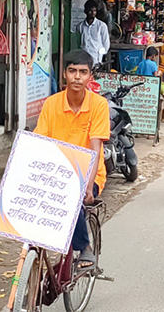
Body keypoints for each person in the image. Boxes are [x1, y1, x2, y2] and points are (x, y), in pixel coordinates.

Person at [34, 50, 110, 269]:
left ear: (90, 77)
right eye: (72, 71)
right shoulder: (51, 104)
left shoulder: (98, 105)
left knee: (72, 197)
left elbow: (95, 149)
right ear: (64, 74)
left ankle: (84, 247)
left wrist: (87, 185)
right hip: (56, 172)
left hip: (89, 174)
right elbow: (40, 142)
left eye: (83, 72)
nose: (77, 77)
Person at [77, 0, 110, 67]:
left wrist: (99, 57)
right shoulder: (80, 26)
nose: (93, 13)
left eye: (94, 11)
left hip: (96, 61)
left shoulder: (101, 26)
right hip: (83, 60)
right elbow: (78, 43)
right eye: (90, 11)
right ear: (85, 11)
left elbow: (106, 44)